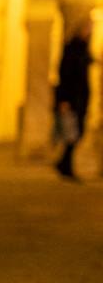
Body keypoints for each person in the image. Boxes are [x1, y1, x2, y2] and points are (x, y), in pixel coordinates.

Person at [55, 25, 93, 181]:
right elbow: (65, 75)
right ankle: (65, 165)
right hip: (72, 99)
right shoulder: (71, 50)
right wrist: (64, 99)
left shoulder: (84, 50)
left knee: (76, 133)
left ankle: (64, 163)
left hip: (80, 99)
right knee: (72, 132)